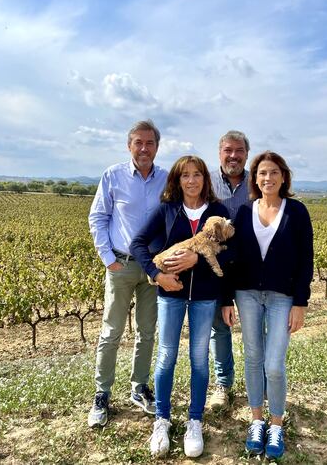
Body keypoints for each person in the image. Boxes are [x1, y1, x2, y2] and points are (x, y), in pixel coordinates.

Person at [130, 155, 232, 458]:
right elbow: (138, 243)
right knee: (166, 356)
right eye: (185, 175)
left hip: (204, 297)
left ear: (205, 179)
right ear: (177, 180)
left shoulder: (218, 212)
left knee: (199, 358)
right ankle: (162, 420)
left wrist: (198, 259)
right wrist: (156, 273)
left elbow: (231, 254)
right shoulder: (167, 209)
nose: (191, 180)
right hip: (171, 295)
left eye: (197, 174)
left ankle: (194, 421)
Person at [222, 151, 313, 460]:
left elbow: (305, 260)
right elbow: (230, 258)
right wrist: (226, 299)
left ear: (283, 177)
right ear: (255, 178)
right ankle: (257, 420)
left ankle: (276, 423)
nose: (268, 178)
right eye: (262, 173)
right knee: (252, 357)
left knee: (273, 364)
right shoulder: (244, 211)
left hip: (281, 297)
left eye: (274, 172)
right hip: (246, 294)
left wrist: (300, 302)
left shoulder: (297, 212)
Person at [87, 120, 168, 428]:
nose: (144, 148)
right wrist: (108, 258)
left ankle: (139, 387)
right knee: (111, 332)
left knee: (147, 331)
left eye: (149, 143)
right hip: (120, 264)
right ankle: (102, 393)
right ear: (129, 145)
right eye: (138, 142)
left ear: (157, 147)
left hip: (152, 267)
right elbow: (98, 216)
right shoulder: (113, 175)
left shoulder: (166, 179)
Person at [207, 130, 250, 409]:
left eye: (239, 151)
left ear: (247, 154)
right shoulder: (207, 181)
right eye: (227, 150)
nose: (233, 156)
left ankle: (261, 384)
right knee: (219, 329)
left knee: (258, 328)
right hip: (217, 268)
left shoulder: (257, 181)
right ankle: (223, 385)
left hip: (250, 268)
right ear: (219, 152)